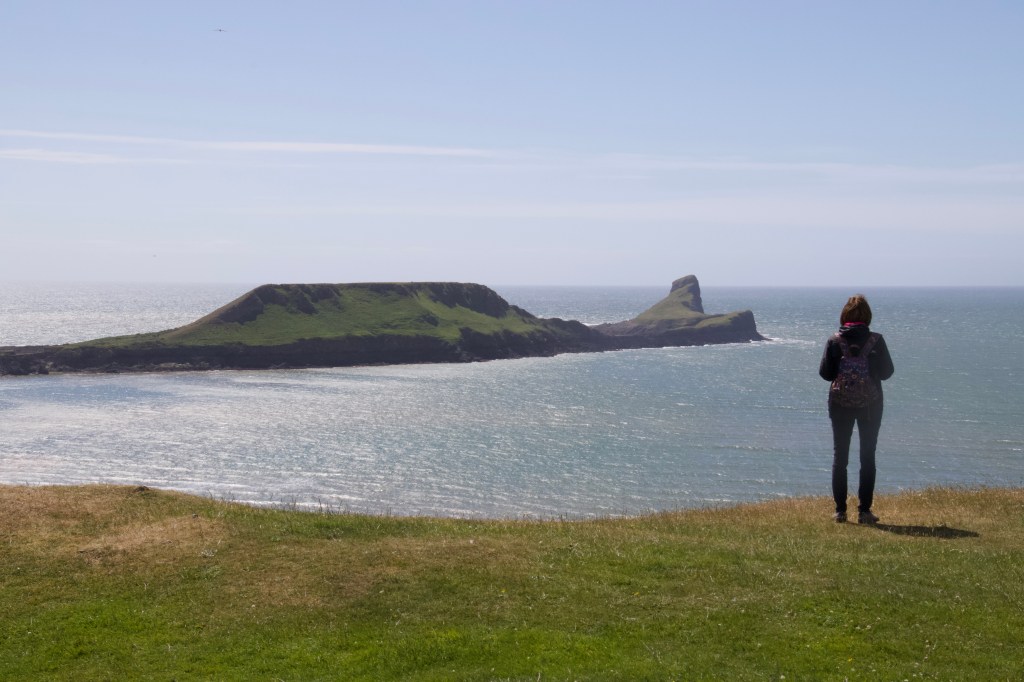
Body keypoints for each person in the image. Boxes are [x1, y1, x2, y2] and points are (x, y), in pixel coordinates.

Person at [819, 294, 894, 524]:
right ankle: (864, 511)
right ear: (867, 316)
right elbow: (887, 372)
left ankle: (840, 511)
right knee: (867, 457)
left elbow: (825, 374)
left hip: (840, 404)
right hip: (870, 405)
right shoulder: (876, 340)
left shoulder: (834, 341)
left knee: (840, 457)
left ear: (844, 316)